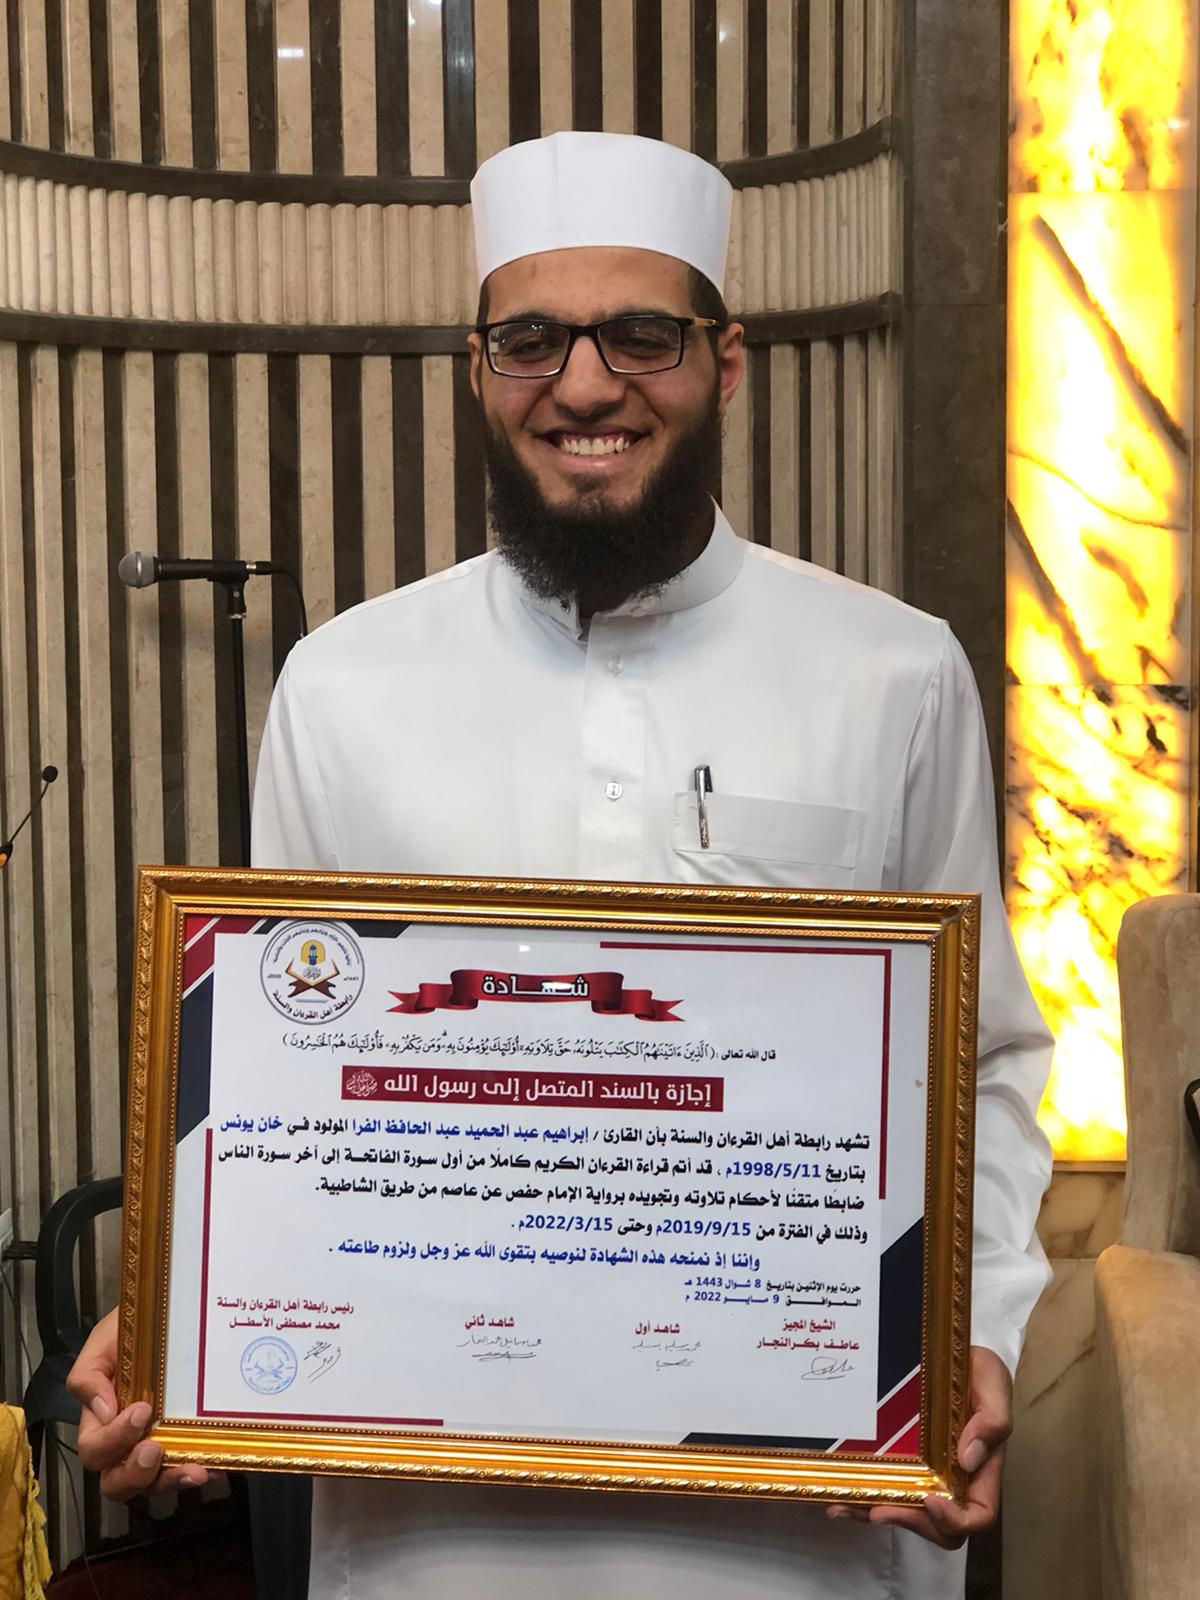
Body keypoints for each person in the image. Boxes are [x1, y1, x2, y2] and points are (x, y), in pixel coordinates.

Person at [68, 132, 1052, 1599]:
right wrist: (183, 1326)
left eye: (641, 334)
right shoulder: (343, 686)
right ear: (480, 371)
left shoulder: (894, 676)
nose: (585, 387)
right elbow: (279, 1082)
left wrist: (968, 1334)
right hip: (427, 1539)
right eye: (531, 340)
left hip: (805, 1540)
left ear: (724, 363)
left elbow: (983, 1063)